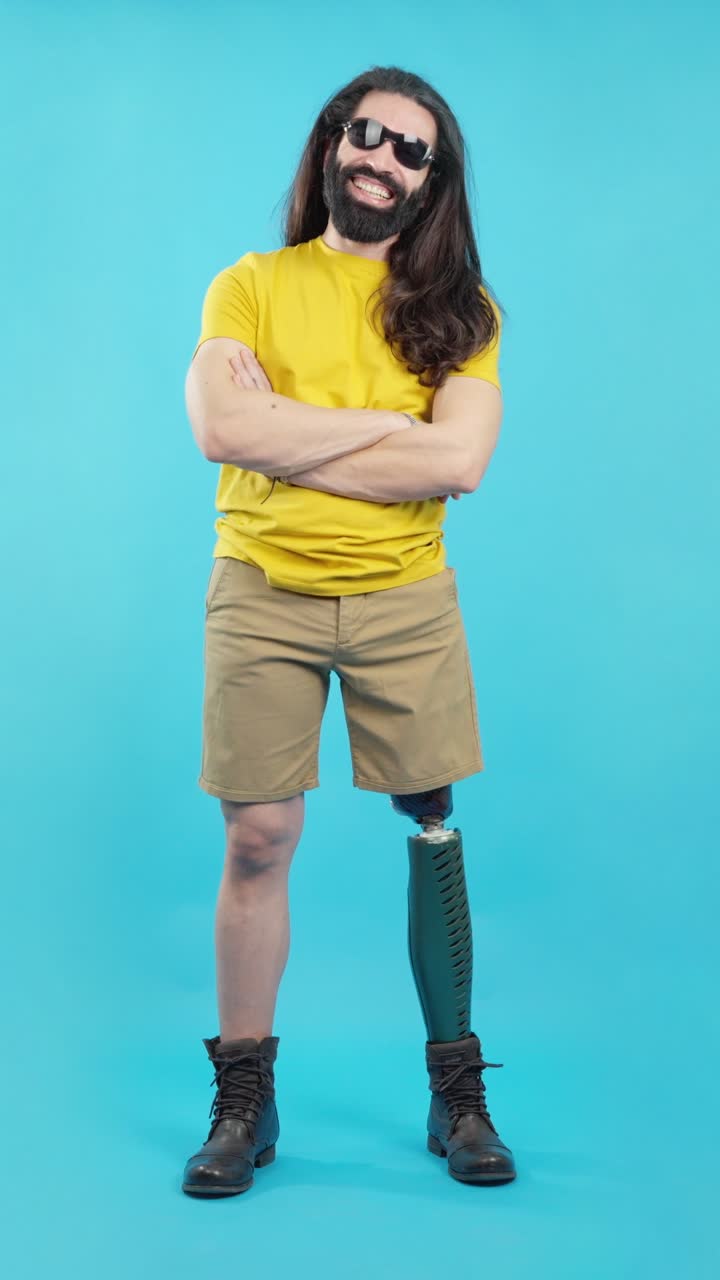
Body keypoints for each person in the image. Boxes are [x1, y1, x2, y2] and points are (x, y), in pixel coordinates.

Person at [181, 64, 516, 1197]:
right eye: (366, 134)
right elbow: (220, 430)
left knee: (434, 827)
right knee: (257, 838)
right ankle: (244, 1095)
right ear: (334, 144)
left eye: (411, 149)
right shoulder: (251, 283)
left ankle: (456, 1090)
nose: (382, 158)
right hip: (263, 587)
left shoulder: (463, 313)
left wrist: (290, 425)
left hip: (404, 597)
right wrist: (385, 428)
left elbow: (460, 460)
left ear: (431, 182)